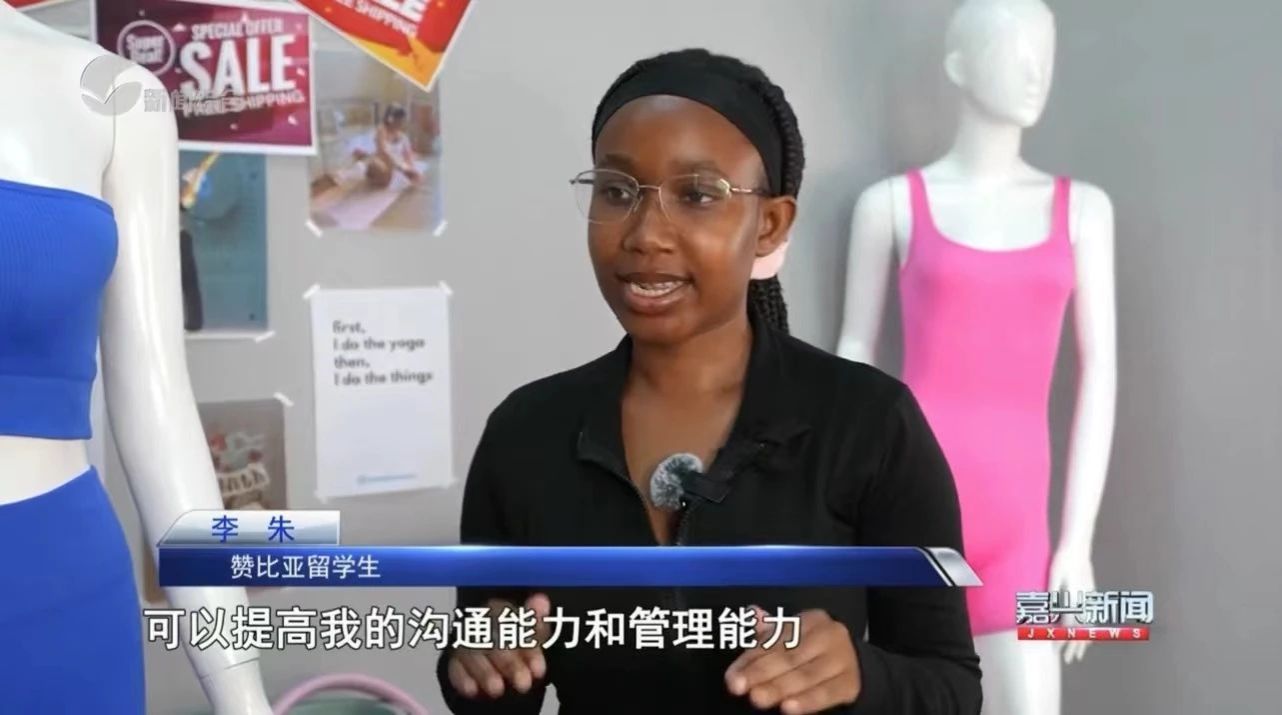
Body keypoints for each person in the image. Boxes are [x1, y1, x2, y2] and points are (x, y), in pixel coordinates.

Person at [436, 49, 982, 714]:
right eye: (617, 192)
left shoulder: (869, 423)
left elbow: (951, 686)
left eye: (697, 195)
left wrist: (860, 675)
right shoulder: (525, 434)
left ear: (769, 225)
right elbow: (488, 678)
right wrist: (481, 667)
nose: (645, 234)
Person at [366, 104, 422, 188]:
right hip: (383, 163)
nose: (400, 123)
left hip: (397, 165)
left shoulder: (403, 137)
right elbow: (383, 151)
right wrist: (402, 168)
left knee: (416, 173)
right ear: (390, 119)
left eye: (402, 120)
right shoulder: (382, 130)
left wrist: (409, 169)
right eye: (398, 120)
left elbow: (408, 156)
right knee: (378, 168)